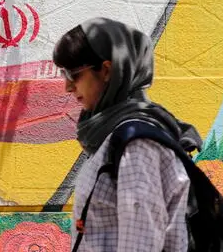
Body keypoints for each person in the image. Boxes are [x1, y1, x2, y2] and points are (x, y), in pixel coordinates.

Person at [53, 17, 202, 251]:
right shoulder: (116, 134)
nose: (68, 87)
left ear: (106, 70)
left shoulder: (136, 143)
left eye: (74, 74)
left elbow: (141, 243)